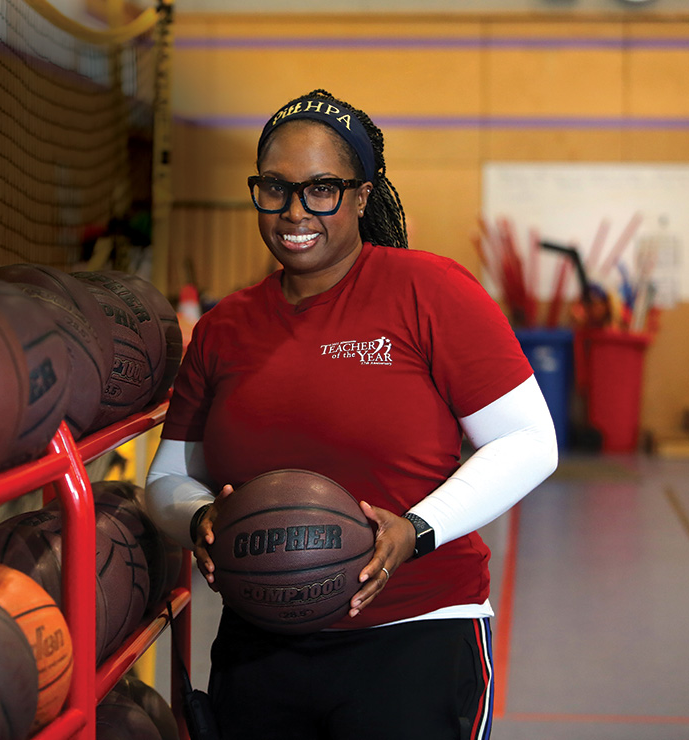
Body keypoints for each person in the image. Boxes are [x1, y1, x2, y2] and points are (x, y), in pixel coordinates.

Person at [143, 88, 558, 740]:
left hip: (415, 633)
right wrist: (199, 519)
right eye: (274, 188)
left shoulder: (431, 292)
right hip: (261, 642)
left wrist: (415, 531)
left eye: (321, 189)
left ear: (362, 197)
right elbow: (167, 478)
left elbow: (530, 441)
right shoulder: (225, 328)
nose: (294, 211)